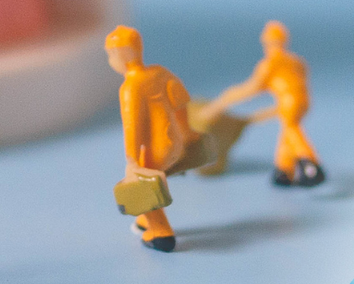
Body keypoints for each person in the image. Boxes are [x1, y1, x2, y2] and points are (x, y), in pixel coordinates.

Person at [105, 25, 203, 252]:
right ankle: (143, 220)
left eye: (111, 55)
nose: (110, 60)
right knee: (151, 178)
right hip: (174, 142)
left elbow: (133, 128)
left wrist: (131, 160)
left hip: (155, 149)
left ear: (123, 55)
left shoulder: (130, 87)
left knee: (142, 184)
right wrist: (186, 132)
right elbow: (180, 101)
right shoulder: (160, 72)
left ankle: (161, 233)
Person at [206, 20, 324, 187]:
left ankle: (311, 166)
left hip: (289, 101)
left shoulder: (269, 65)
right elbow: (301, 81)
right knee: (287, 129)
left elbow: (251, 88)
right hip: (304, 101)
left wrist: (225, 99)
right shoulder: (297, 61)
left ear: (266, 42)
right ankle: (284, 171)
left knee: (291, 129)